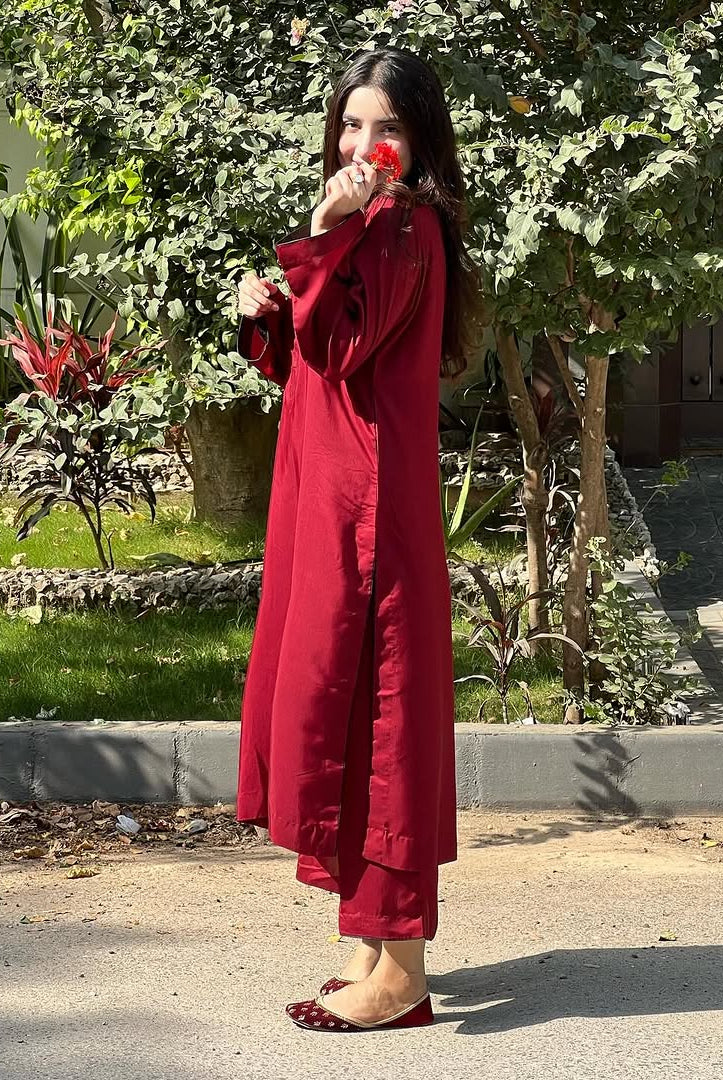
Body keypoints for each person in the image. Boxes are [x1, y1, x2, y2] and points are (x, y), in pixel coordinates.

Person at [234, 47, 485, 1032]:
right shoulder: (377, 229)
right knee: (344, 713)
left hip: (371, 517)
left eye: (386, 128)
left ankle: (405, 964)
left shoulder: (405, 226)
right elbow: (314, 360)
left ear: (417, 141)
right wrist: (267, 308)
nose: (363, 144)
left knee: (383, 720)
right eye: (350, 124)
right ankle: (371, 936)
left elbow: (341, 343)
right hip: (332, 502)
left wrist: (318, 231)